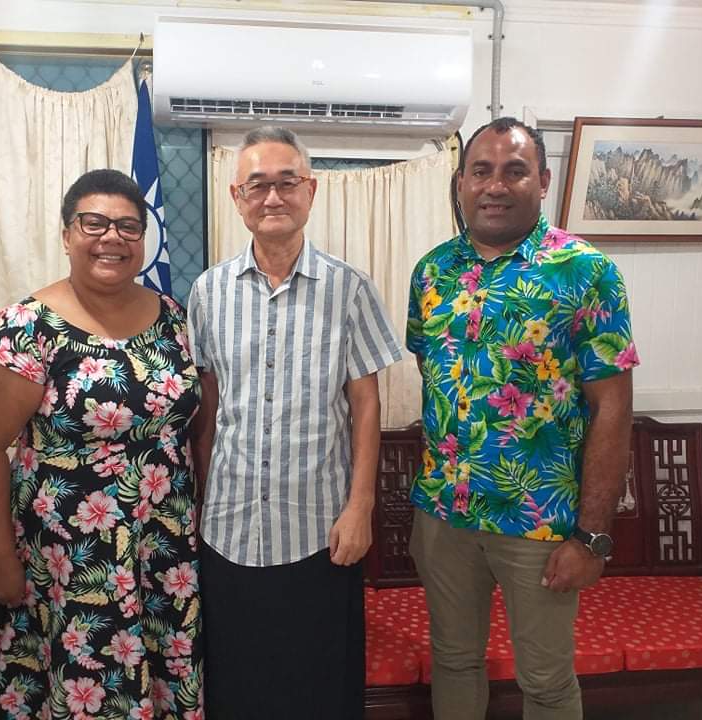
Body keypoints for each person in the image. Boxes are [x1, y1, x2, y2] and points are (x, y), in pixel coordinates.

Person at [406, 117, 638, 720]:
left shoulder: (586, 271)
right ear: (460, 183)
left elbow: (612, 406)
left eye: (515, 171)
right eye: (480, 171)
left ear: (543, 180)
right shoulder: (432, 273)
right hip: (444, 515)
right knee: (454, 662)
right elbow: (437, 380)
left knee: (546, 681)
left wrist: (592, 536)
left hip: (541, 522)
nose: (495, 185)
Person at [0, 169, 203, 720]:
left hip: (163, 548)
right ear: (67, 234)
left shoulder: (174, 320)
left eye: (128, 226)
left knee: (159, 676)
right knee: (85, 686)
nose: (111, 237)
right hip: (70, 555)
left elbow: (193, 421)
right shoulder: (27, 327)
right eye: (93, 223)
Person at [187, 126, 403, 720]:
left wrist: (359, 508)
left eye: (287, 183)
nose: (273, 197)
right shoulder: (208, 293)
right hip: (228, 525)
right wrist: (202, 495)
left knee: (320, 681)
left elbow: (366, 406)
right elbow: (207, 405)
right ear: (237, 197)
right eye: (258, 185)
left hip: (320, 526)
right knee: (237, 677)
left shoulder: (349, 288)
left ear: (310, 191)